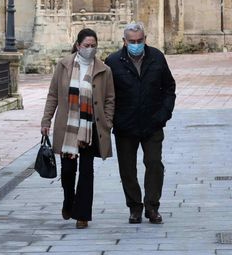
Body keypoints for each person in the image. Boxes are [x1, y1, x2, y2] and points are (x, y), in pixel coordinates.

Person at [41, 28, 115, 229]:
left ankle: (82, 214)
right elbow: (53, 95)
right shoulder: (63, 65)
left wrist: (107, 121)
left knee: (86, 171)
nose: (90, 49)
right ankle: (68, 200)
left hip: (91, 128)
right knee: (67, 171)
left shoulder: (103, 70)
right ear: (77, 46)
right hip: (68, 128)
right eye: (86, 46)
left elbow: (109, 98)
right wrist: (46, 120)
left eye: (93, 46)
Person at [104, 22, 175, 225]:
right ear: (124, 41)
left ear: (145, 39)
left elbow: (169, 87)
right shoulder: (114, 61)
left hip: (152, 122)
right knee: (127, 169)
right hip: (125, 125)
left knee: (154, 164)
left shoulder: (157, 57)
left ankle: (152, 206)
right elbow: (108, 93)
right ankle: (134, 207)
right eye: (132, 41)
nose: (136, 44)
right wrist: (114, 119)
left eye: (140, 41)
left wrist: (164, 114)